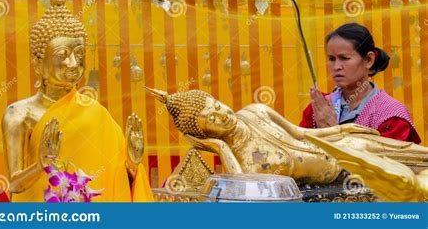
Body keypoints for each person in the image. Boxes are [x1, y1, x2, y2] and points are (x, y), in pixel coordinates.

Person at [2, 0, 153, 202]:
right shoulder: (20, 114)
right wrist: (41, 165)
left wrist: (132, 163)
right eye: (62, 55)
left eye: (79, 54)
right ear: (37, 63)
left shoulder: (94, 113)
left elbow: (113, 180)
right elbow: (14, 183)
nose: (73, 64)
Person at [146, 87, 428, 186]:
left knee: (418, 158)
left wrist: (342, 129)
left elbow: (303, 133)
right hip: (338, 174)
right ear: (204, 133)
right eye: (211, 120)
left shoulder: (255, 111)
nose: (222, 115)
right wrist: (220, 148)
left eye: (217, 106)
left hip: (344, 146)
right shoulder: (245, 163)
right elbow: (248, 188)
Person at [300, 23, 421, 144]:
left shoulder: (391, 115)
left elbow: (383, 162)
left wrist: (332, 132)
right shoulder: (318, 109)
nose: (336, 67)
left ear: (369, 60)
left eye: (345, 58)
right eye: (331, 59)